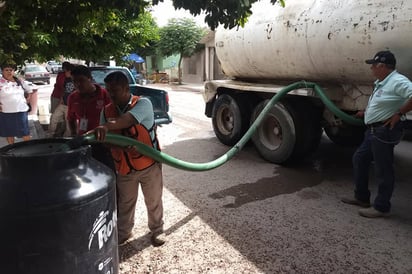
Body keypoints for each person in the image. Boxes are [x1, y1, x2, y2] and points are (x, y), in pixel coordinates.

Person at [91, 71, 165, 246]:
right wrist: (118, 145)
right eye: (108, 90)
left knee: (153, 200)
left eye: (115, 90)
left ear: (126, 88)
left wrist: (105, 126)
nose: (111, 94)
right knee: (125, 203)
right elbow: (105, 142)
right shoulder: (106, 111)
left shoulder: (143, 104)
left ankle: (157, 231)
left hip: (148, 164)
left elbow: (126, 121)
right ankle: (124, 233)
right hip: (124, 167)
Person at [341, 50, 412, 218]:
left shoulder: (397, 81)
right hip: (373, 130)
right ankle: (362, 197)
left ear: (382, 66)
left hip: (383, 131)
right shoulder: (383, 82)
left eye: (373, 65)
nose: (371, 68)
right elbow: (383, 103)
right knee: (359, 158)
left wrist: (399, 113)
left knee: (383, 169)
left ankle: (381, 206)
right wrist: (366, 112)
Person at [66, 65, 115, 172]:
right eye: (74, 81)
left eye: (81, 80)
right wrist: (74, 135)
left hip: (103, 141)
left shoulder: (104, 95)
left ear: (90, 78)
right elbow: (71, 118)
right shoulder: (72, 98)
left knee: (107, 173)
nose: (78, 84)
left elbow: (113, 119)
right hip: (83, 141)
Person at [0, 62, 33, 144]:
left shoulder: (20, 81)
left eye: (11, 70)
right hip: (6, 112)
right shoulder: (0, 82)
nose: (9, 72)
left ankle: (29, 150)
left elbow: (30, 91)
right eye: (6, 70)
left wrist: (28, 99)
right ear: (2, 71)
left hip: (21, 111)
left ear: (13, 71)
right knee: (9, 133)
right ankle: (12, 151)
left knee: (25, 133)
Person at [48, 62, 75, 137]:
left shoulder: (75, 80)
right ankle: (51, 134)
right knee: (54, 118)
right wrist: (61, 100)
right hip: (63, 103)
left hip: (70, 105)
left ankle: (66, 137)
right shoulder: (65, 79)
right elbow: (63, 90)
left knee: (68, 123)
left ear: (70, 71)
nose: (64, 73)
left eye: (66, 71)